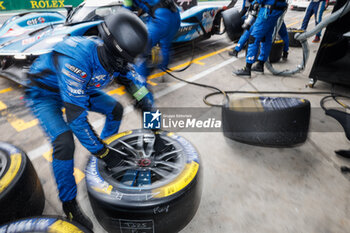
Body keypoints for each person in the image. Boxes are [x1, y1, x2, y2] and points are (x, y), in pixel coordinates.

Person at [25, 9, 163, 230]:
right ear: (115, 51)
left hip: (81, 88)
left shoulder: (116, 60)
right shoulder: (77, 60)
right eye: (125, 60)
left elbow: (141, 93)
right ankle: (69, 204)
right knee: (64, 142)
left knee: (115, 110)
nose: (128, 65)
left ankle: (101, 155)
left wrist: (155, 127)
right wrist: (104, 153)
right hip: (45, 94)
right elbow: (77, 120)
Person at [124, 0, 181, 78]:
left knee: (139, 52)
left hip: (161, 19)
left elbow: (125, 12)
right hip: (176, 16)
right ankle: (163, 70)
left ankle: (142, 84)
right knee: (166, 46)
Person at [233, 0, 288, 77]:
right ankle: (260, 65)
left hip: (267, 12)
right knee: (266, 39)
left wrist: (254, 3)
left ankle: (247, 69)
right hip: (275, 12)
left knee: (254, 38)